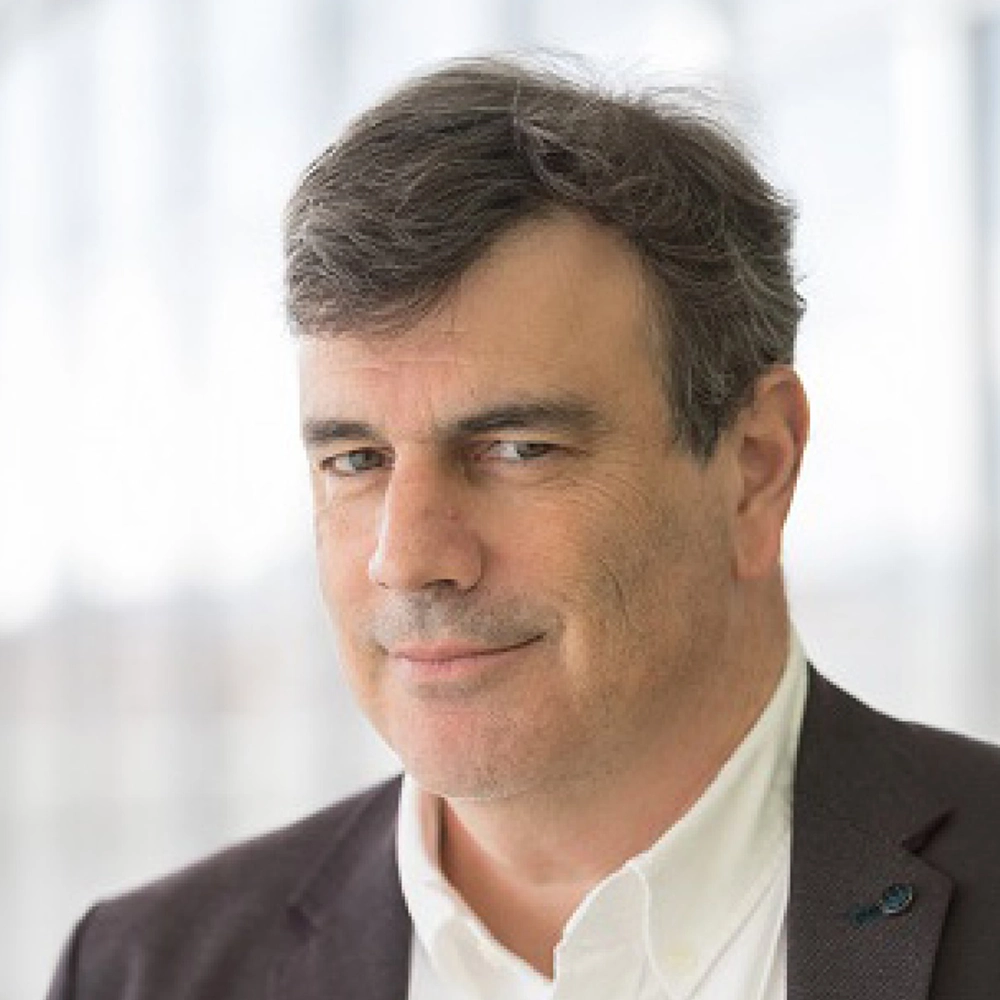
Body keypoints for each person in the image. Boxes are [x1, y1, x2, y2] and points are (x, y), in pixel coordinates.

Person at [48, 57, 1000, 1000]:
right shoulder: (141, 972)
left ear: (757, 466)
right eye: (357, 460)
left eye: (515, 449)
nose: (406, 558)